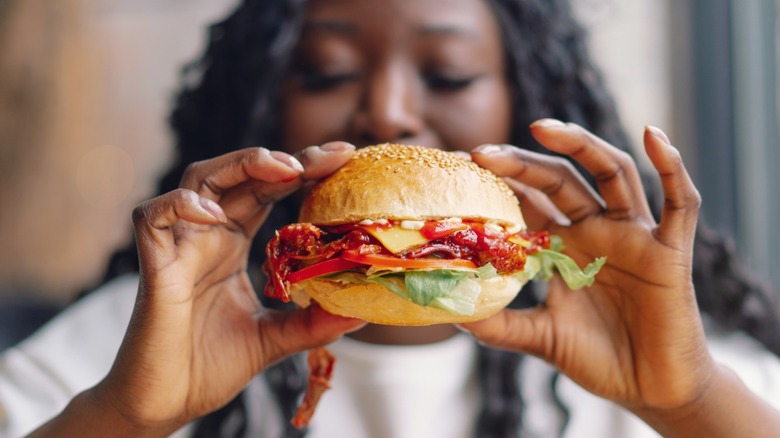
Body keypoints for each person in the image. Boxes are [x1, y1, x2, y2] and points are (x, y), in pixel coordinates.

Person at [3, 0, 780, 436]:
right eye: (329, 71)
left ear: (522, 102)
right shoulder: (134, 341)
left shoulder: (669, 353)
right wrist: (125, 419)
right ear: (267, 99)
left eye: (448, 73)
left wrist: (687, 406)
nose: (388, 110)